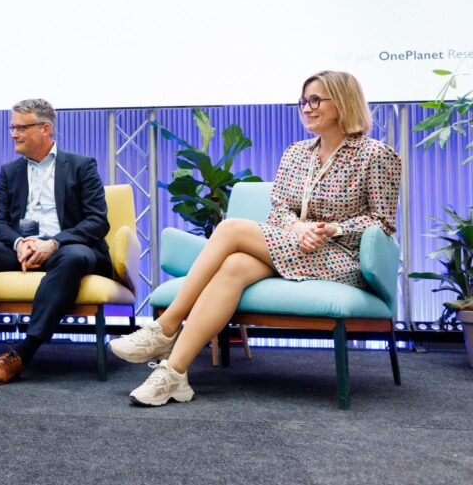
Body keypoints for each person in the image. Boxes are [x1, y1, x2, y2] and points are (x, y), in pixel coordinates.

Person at [110, 70, 402, 406]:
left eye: (316, 100)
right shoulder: (296, 153)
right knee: (234, 265)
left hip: (339, 258)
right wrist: (298, 228)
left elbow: (382, 221)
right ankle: (174, 374)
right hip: (293, 245)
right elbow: (278, 208)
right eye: (303, 101)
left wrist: (332, 229)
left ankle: (164, 327)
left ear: (343, 102)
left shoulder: (375, 155)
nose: (306, 108)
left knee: (232, 229)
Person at [0, 98, 112, 384]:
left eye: (21, 127)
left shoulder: (81, 166)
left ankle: (21, 354)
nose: (14, 134)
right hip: (23, 250)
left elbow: (97, 221)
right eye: (13, 127)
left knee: (74, 257)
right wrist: (19, 243)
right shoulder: (11, 171)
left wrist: (55, 243)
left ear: (45, 129)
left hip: (65, 249)